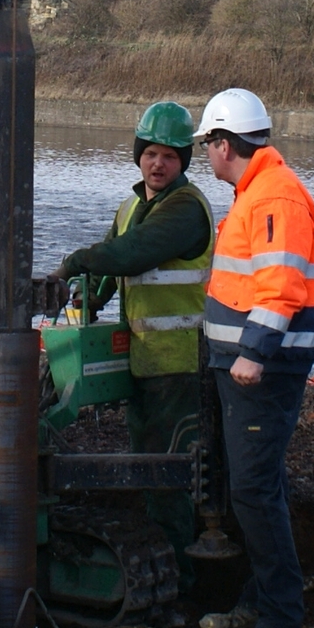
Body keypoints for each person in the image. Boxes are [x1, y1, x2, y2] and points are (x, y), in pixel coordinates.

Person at [52, 101, 214, 587]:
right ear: (138, 155)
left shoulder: (186, 210)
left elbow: (130, 252)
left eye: (169, 155)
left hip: (180, 365)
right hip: (141, 364)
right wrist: (75, 296)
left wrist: (76, 260)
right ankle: (162, 571)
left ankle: (182, 581)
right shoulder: (130, 207)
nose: (158, 164)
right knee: (148, 469)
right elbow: (106, 271)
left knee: (170, 477)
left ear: (184, 161)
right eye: (151, 154)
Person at [193, 86, 314, 628]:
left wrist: (252, 352)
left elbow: (280, 287)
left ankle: (281, 622)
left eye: (207, 145)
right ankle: (260, 602)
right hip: (243, 366)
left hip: (262, 372)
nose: (205, 155)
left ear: (225, 144)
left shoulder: (274, 197)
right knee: (255, 487)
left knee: (253, 489)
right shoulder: (256, 193)